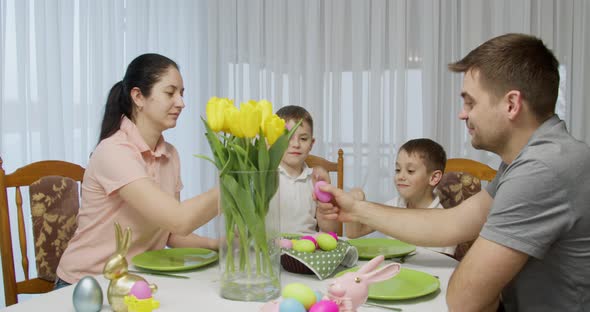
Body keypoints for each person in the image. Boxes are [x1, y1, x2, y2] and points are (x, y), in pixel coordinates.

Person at [317, 33, 590, 311]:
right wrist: (356, 209)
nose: (463, 114)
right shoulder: (532, 157)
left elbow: (463, 300)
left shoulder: (542, 169)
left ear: (511, 104)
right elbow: (454, 222)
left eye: (470, 102)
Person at [56, 54, 219, 288]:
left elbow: (170, 232)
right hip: (87, 285)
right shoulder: (113, 151)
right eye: (170, 92)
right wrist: (236, 180)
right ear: (138, 97)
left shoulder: (170, 155)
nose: (181, 102)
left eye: (182, 93)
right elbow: (178, 220)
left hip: (134, 282)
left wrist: (217, 244)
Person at [346, 138, 456, 256]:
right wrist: (354, 204)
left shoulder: (443, 223)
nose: (400, 176)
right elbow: (354, 233)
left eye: (410, 171)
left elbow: (441, 266)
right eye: (398, 170)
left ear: (434, 178)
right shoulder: (394, 205)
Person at [275, 105, 340, 234]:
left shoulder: (315, 179)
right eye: (287, 138)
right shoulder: (265, 176)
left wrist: (324, 206)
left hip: (308, 247)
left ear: (311, 144)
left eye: (303, 139)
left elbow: (331, 230)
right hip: (274, 248)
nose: (295, 144)